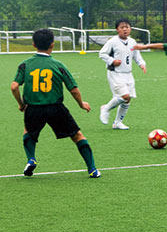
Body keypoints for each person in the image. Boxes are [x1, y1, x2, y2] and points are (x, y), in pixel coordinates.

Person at [10, 28, 100, 178]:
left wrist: (21, 104)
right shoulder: (58, 65)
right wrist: (81, 104)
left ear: (33, 44)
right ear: (52, 44)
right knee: (77, 136)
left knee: (29, 133)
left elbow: (14, 86)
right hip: (56, 108)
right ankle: (92, 169)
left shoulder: (25, 64)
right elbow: (74, 90)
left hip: (33, 108)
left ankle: (31, 159)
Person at [98, 18, 146, 130]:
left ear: (130, 29)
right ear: (117, 29)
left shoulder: (132, 42)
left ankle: (117, 122)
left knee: (128, 99)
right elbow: (102, 54)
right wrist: (112, 61)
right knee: (124, 96)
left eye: (127, 27)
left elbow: (137, 57)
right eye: (122, 27)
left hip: (128, 74)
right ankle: (105, 108)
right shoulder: (112, 41)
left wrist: (142, 64)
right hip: (115, 73)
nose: (125, 29)